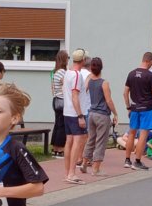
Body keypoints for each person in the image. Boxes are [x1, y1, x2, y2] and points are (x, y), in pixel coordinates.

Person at [81, 57, 118, 176]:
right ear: (101, 68)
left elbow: (84, 90)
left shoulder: (90, 81)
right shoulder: (104, 83)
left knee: (91, 139)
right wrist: (115, 113)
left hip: (91, 113)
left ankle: (84, 163)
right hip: (102, 115)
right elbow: (108, 100)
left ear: (91, 68)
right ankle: (96, 169)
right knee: (101, 141)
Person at [123, 51, 152, 171]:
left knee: (131, 134)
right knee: (143, 134)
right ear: (150, 61)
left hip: (134, 108)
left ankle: (127, 160)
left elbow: (125, 92)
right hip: (147, 108)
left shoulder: (131, 74)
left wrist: (128, 107)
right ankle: (137, 161)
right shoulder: (150, 76)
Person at [62, 48, 88, 184]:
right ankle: (72, 173)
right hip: (74, 113)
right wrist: (80, 116)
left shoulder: (68, 73)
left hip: (67, 112)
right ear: (83, 60)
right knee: (77, 142)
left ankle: (67, 173)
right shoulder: (77, 75)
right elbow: (75, 95)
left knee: (69, 142)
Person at [50, 49, 68, 158]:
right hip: (62, 101)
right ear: (64, 59)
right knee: (62, 126)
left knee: (57, 124)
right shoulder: (62, 72)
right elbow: (66, 85)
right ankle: (60, 150)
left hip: (56, 100)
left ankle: (55, 148)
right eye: (67, 58)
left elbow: (53, 88)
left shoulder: (55, 71)